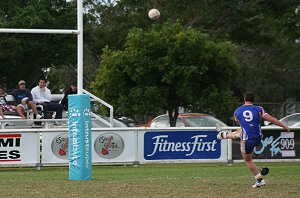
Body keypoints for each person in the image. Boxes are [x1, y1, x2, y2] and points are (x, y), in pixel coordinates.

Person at [217, 91, 290, 188]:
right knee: (240, 132)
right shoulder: (259, 109)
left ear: (244, 99)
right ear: (253, 100)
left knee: (248, 160)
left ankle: (260, 180)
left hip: (247, 140)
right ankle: (223, 135)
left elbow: (241, 123)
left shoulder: (237, 111)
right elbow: (271, 119)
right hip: (258, 138)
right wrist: (284, 126)